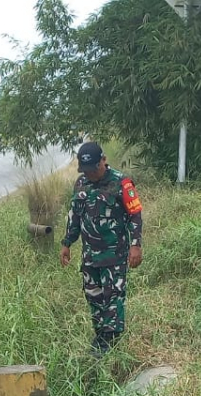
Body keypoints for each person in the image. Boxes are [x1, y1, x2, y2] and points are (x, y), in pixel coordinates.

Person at [60, 142, 143, 357]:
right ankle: (100, 336)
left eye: (94, 169)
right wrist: (66, 243)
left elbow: (135, 214)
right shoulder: (81, 183)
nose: (91, 174)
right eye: (86, 171)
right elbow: (75, 216)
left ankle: (112, 341)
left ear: (103, 161)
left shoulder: (121, 183)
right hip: (90, 256)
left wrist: (136, 245)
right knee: (93, 296)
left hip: (114, 254)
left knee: (113, 296)